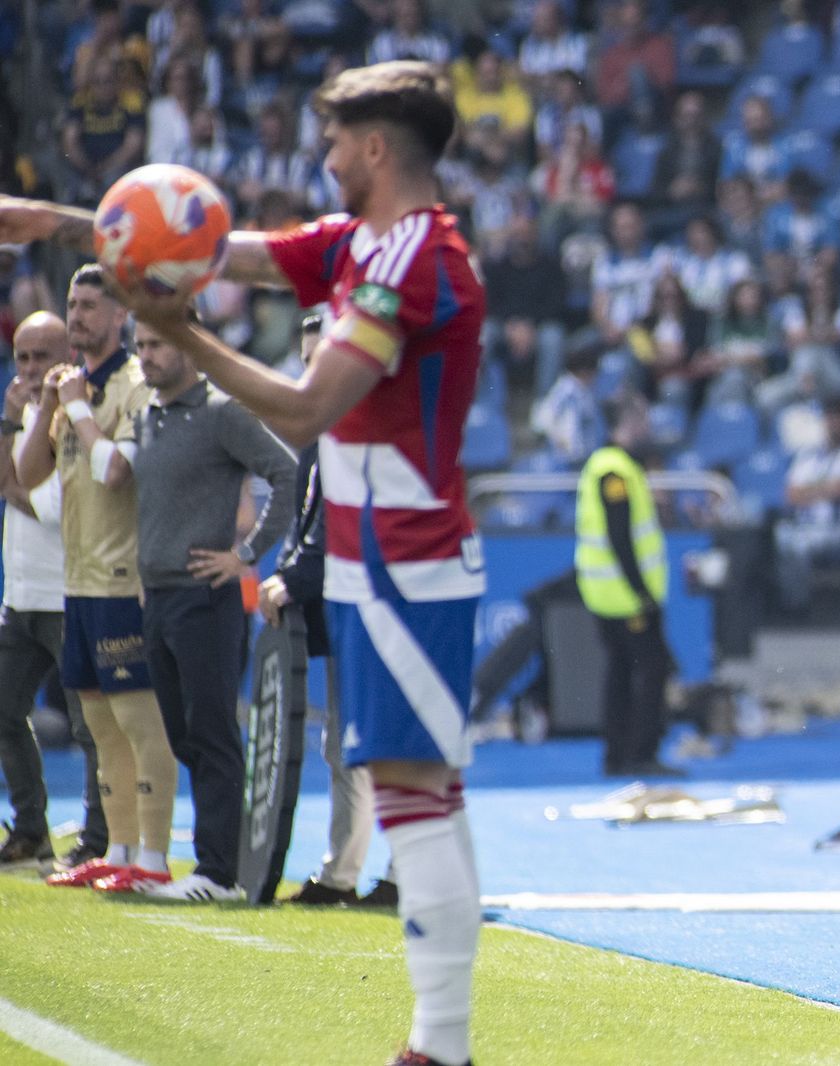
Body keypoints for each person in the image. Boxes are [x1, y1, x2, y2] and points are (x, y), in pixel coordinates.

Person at [0, 60, 486, 1066]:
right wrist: (60, 220)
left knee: (416, 792)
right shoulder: (364, 242)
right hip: (372, 552)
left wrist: (182, 331)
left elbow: (309, 407)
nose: (323, 157)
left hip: (410, 552)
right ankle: (440, 1042)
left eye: (336, 141)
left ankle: (441, 1044)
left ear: (378, 149)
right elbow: (227, 250)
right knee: (409, 788)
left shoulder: (412, 262)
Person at [14, 266, 179, 894]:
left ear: (120, 316)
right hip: (77, 578)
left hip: (121, 574)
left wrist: (78, 405)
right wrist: (50, 405)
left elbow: (119, 476)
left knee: (140, 721)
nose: (78, 316)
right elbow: (30, 475)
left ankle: (155, 860)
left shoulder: (135, 386)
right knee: (100, 724)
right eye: (74, 304)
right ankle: (119, 847)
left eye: (90, 307)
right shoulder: (70, 387)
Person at [126, 310, 297, 901]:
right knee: (184, 737)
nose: (146, 355)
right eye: (141, 344)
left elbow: (287, 472)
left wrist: (245, 554)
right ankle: (215, 860)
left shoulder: (222, 413)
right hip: (160, 598)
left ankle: (218, 872)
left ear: (190, 350)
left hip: (206, 596)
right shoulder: (144, 417)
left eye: (157, 344)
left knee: (213, 732)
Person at [271, 314, 393, 907]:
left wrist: (292, 577)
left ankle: (368, 874)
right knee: (359, 743)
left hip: (383, 607)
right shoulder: (326, 429)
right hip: (358, 606)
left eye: (326, 357)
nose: (314, 371)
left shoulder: (360, 428)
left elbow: (339, 527)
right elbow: (313, 522)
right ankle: (359, 871)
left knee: (375, 742)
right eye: (308, 359)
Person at [0, 312, 106, 871]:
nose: (32, 368)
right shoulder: (25, 418)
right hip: (21, 595)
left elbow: (27, 495)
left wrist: (17, 423)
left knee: (92, 727)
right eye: (23, 356)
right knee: (3, 711)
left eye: (44, 355)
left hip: (70, 594)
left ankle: (98, 836)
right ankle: (31, 829)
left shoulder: (79, 419)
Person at [575, 392, 679, 779]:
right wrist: (641, 593)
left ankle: (616, 754)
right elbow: (621, 538)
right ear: (628, 423)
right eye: (642, 420)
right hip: (625, 596)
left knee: (619, 671)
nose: (647, 428)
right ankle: (640, 753)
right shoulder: (614, 471)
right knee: (650, 672)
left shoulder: (608, 466)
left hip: (609, 594)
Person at [773, 396, 840, 612]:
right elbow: (791, 495)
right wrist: (823, 488)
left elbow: (839, 491)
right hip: (808, 526)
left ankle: (797, 608)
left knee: (799, 545)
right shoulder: (809, 454)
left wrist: (808, 490)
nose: (835, 422)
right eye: (831, 416)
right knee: (779, 535)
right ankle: (781, 603)